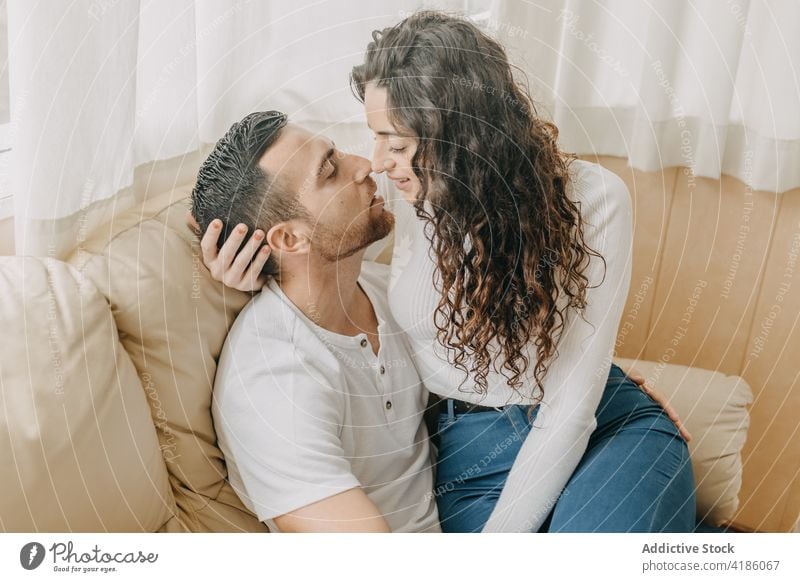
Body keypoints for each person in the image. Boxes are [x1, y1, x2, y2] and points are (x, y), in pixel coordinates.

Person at [198, 11, 696, 533]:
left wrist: (597, 378)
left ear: (462, 138)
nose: (374, 163)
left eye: (395, 141)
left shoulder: (594, 200)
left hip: (599, 426)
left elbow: (570, 407)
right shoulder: (401, 195)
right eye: (373, 136)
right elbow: (300, 222)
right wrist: (243, 263)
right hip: (469, 453)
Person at [194, 111, 439, 532]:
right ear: (290, 239)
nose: (365, 165)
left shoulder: (386, 287)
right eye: (331, 170)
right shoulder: (273, 380)